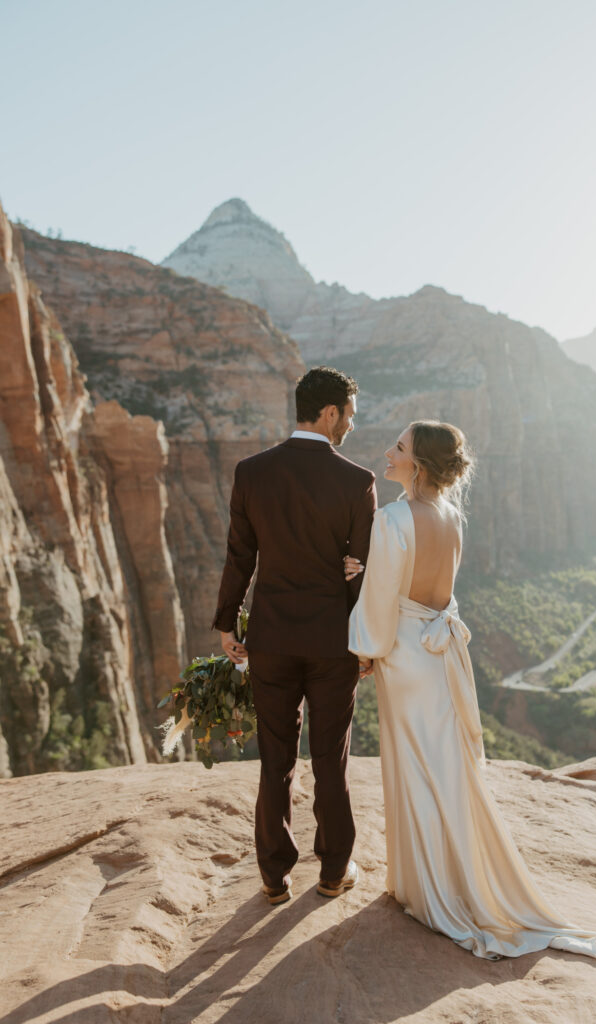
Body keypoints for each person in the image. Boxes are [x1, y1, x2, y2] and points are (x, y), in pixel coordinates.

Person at [346, 420, 596, 965]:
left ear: (420, 464)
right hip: (441, 652)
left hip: (405, 655)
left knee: (416, 769)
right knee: (446, 766)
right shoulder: (453, 517)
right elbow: (431, 586)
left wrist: (364, 650)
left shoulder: (390, 519)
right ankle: (453, 880)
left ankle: (431, 891)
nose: (388, 453)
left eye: (400, 448)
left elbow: (384, 598)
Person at [212, 366, 377, 905]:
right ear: (330, 413)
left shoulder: (251, 472)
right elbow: (364, 570)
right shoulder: (357, 482)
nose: (351, 424)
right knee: (331, 757)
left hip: (271, 639)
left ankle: (274, 876)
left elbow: (241, 554)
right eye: (349, 414)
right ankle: (333, 871)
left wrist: (227, 623)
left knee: (276, 757)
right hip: (334, 643)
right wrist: (367, 640)